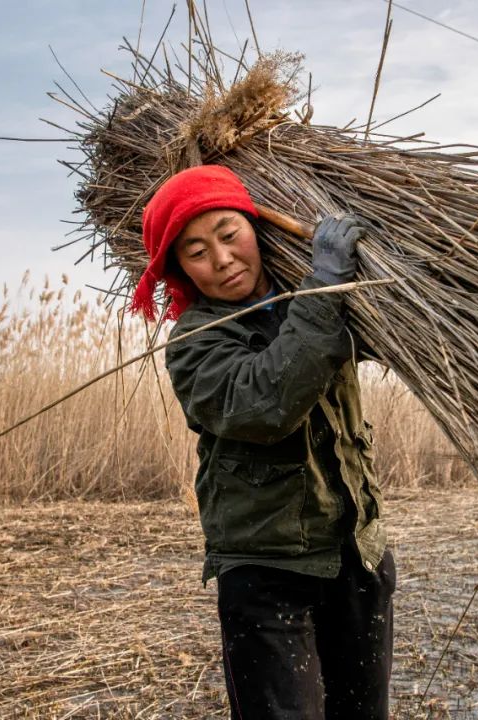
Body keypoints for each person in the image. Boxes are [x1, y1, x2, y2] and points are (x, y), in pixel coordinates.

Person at [132, 165, 394, 719]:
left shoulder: (319, 294)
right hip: (267, 571)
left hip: (356, 550)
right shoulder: (195, 342)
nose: (223, 259)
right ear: (179, 267)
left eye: (229, 235)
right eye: (197, 251)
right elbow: (267, 403)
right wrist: (326, 283)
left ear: (255, 227)